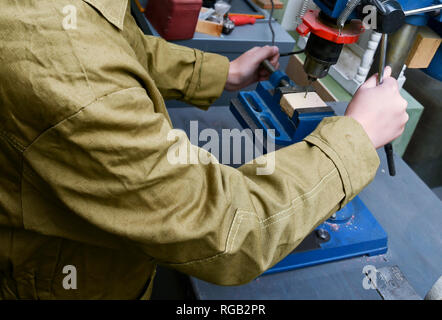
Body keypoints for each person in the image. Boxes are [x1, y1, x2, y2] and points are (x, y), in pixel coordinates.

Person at [0, 0, 408, 299]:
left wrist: (217, 73)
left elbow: (113, 41)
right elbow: (221, 230)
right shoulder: (61, 67)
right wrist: (355, 138)